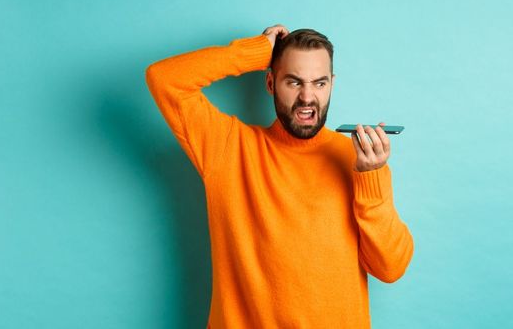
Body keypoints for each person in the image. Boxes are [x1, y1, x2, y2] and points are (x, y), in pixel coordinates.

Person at [145, 24, 414, 328]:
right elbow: (164, 79)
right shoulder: (228, 148)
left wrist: (372, 178)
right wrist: (257, 51)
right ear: (271, 82)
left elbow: (390, 268)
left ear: (332, 85)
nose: (307, 98)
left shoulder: (359, 159)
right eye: (293, 82)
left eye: (320, 83)